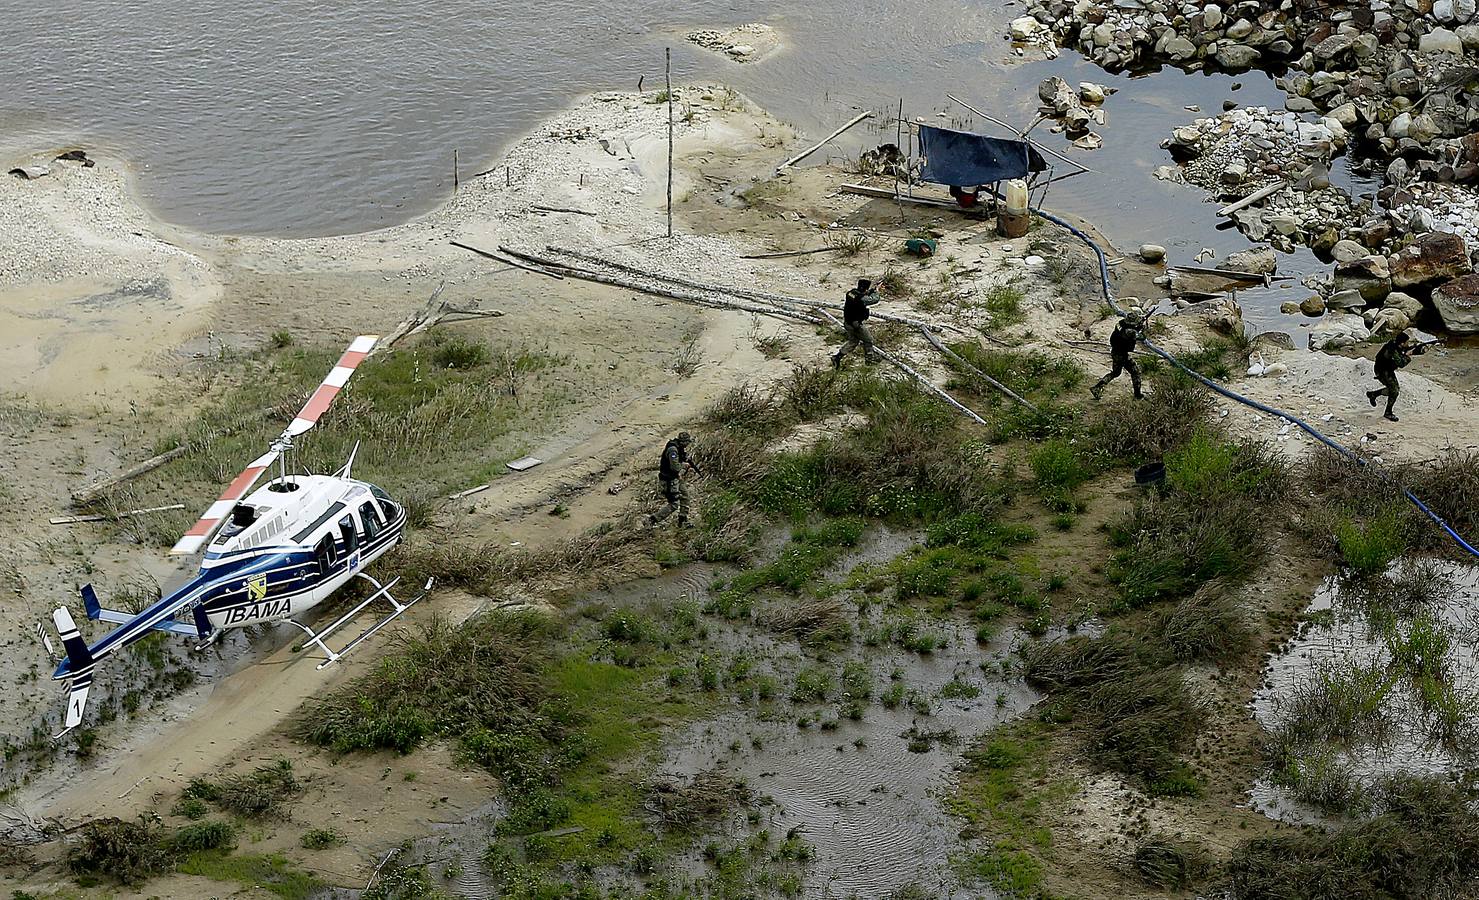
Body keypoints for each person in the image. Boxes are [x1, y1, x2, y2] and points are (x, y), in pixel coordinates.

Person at [1367, 332, 1428, 422]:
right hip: (1382, 371)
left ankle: (1373, 394)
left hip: (1386, 369)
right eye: (1406, 342)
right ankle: (1388, 412)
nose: (1408, 344)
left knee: (1393, 390)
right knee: (1394, 391)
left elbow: (1405, 349)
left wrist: (1417, 348)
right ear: (1402, 343)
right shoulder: (1392, 350)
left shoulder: (1396, 345)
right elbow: (1401, 363)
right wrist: (1408, 355)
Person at [1090, 314, 1146, 400]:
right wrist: (1142, 328)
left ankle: (1097, 387)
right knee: (1136, 372)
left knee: (1116, 373)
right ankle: (1137, 395)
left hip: (1115, 352)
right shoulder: (1129, 331)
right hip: (1122, 354)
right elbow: (1142, 337)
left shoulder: (1120, 324)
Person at [650, 432, 699, 527]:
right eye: (687, 442)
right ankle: (653, 519)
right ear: (683, 442)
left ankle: (683, 520)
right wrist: (684, 466)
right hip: (668, 480)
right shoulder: (673, 450)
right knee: (674, 504)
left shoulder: (678, 448)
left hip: (675, 478)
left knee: (685, 495)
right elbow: (675, 467)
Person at [831, 278, 881, 369]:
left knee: (853, 342)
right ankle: (869, 359)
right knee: (868, 340)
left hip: (848, 322)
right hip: (856, 325)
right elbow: (874, 300)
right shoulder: (861, 298)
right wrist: (876, 292)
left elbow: (861, 295)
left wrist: (871, 290)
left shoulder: (851, 293)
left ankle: (837, 357)